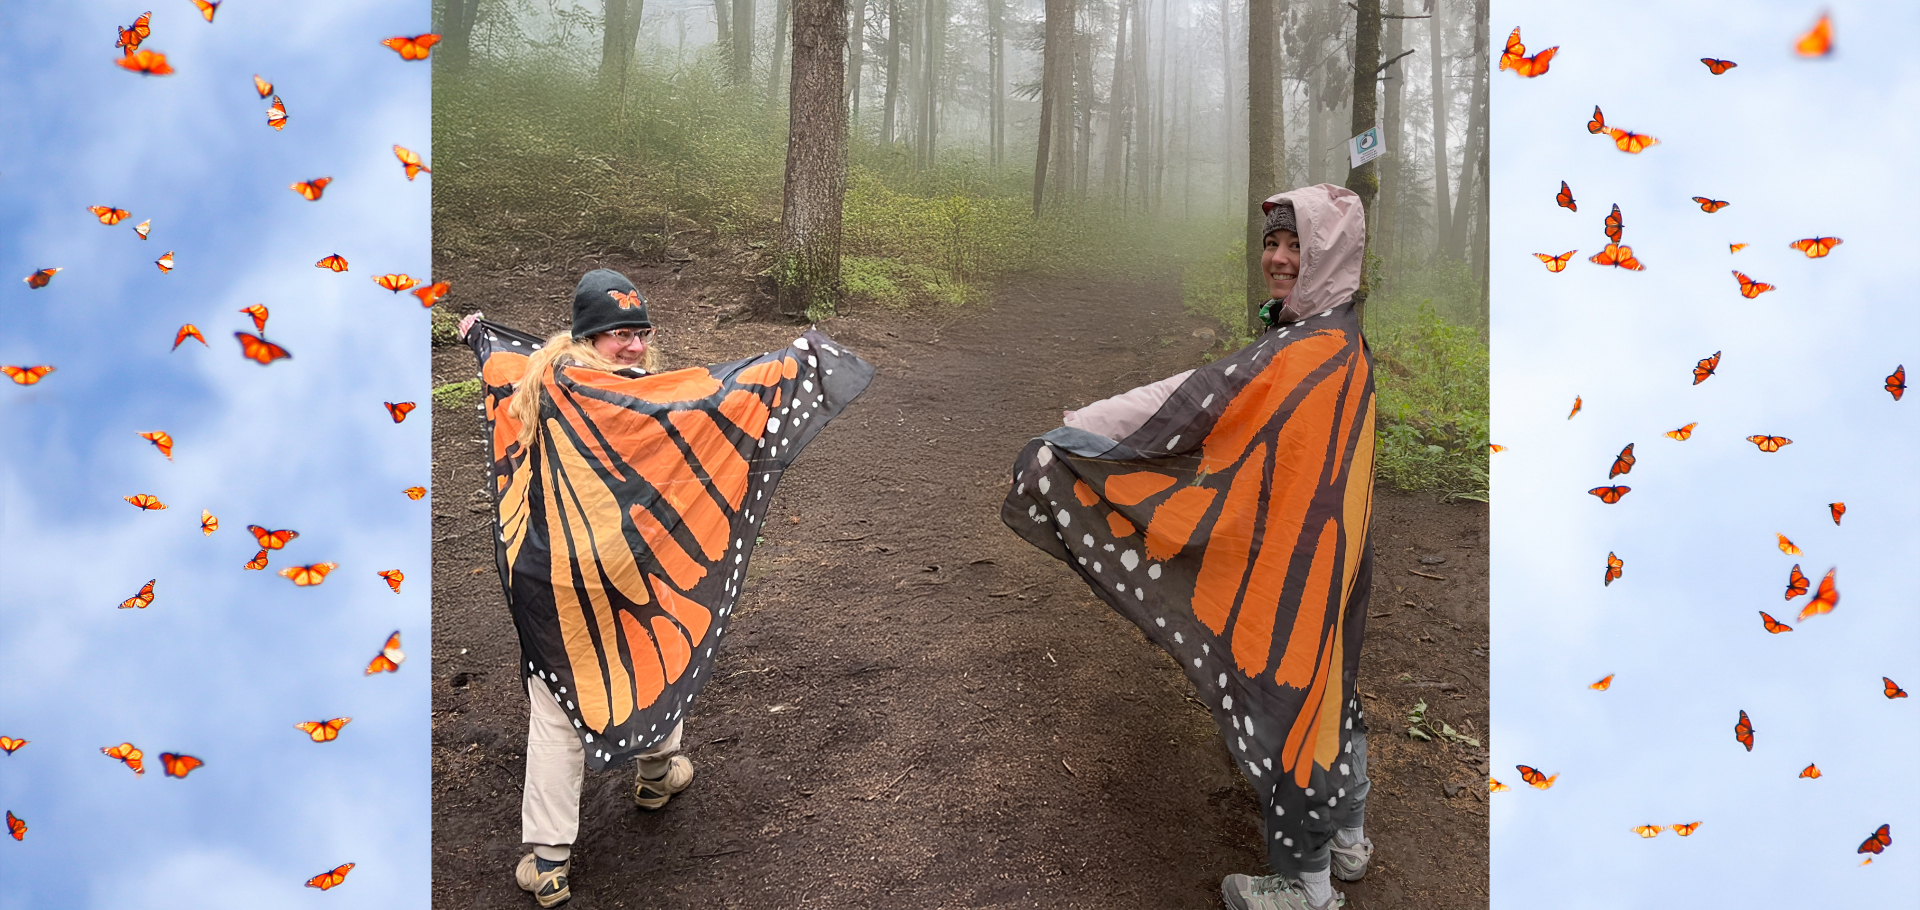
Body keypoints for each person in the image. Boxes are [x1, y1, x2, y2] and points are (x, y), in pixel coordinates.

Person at [1008, 184, 1376, 910]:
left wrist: (1086, 427)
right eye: (1272, 243)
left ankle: (1305, 887)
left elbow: (1195, 397)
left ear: (1326, 257)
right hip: (1340, 556)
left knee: (1290, 694)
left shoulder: (1305, 350)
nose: (1278, 258)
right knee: (1334, 684)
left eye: (1296, 245)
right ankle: (1347, 838)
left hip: (1296, 565)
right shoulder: (1343, 338)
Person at [458, 269, 873, 907]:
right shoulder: (641, 399)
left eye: (642, 332)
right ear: (587, 336)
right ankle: (648, 778)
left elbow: (501, 362)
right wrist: (797, 364)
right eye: (619, 334)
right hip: (620, 570)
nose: (634, 345)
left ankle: (552, 856)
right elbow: (719, 398)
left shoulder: (538, 378)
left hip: (546, 574)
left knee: (566, 694)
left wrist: (479, 334)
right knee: (652, 654)